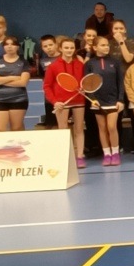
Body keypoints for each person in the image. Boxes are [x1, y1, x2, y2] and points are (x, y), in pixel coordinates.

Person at [44, 36, 88, 169]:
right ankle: (65, 157)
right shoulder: (53, 66)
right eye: (66, 48)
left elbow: (84, 82)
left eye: (72, 48)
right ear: (60, 49)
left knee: (79, 129)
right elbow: (47, 86)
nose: (69, 50)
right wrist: (54, 101)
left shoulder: (80, 65)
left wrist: (84, 88)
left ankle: (80, 156)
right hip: (61, 102)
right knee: (63, 129)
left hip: (78, 100)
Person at [83, 36, 124, 165]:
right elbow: (87, 84)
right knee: (102, 128)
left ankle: (115, 153)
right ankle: (107, 154)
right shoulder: (90, 64)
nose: (106, 47)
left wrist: (120, 100)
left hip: (112, 100)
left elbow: (120, 82)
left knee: (112, 127)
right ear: (95, 47)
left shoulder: (115, 62)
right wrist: (92, 99)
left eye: (107, 45)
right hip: (97, 101)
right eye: (103, 45)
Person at [0, 36, 30, 132]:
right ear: (3, 47)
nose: (9, 46)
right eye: (7, 44)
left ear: (17, 47)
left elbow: (22, 82)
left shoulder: (23, 62)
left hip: (18, 99)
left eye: (12, 44)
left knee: (16, 129)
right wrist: (13, 78)